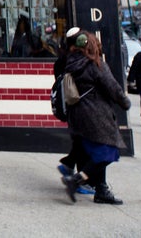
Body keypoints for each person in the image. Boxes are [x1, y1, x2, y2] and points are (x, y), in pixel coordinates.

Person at [61, 32, 132, 204]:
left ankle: (101, 190)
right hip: (96, 114)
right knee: (108, 152)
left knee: (96, 151)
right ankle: (76, 180)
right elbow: (113, 87)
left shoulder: (71, 63)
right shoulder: (96, 64)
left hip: (78, 114)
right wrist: (125, 103)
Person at [54, 27, 92, 196]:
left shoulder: (62, 60)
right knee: (84, 142)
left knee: (80, 141)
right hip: (82, 106)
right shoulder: (78, 61)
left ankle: (68, 164)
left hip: (71, 107)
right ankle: (80, 179)